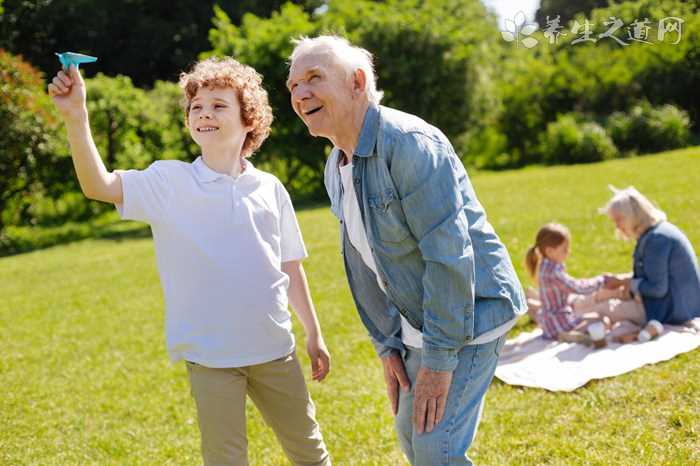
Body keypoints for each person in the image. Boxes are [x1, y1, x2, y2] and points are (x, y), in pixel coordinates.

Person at [48, 57, 331, 466]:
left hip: (274, 350)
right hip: (211, 359)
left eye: (219, 106)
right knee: (226, 459)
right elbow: (98, 185)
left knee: (309, 451)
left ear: (248, 119)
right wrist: (77, 117)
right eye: (197, 107)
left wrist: (313, 333)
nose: (204, 113)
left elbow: (290, 265)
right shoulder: (169, 182)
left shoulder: (269, 188)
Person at [286, 35, 526, 465]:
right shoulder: (335, 165)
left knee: (437, 449)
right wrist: (387, 345)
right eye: (292, 86)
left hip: (471, 311)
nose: (299, 94)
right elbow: (364, 260)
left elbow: (449, 257)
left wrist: (437, 363)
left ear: (357, 82)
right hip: (416, 320)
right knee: (413, 439)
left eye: (313, 78)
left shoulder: (409, 142)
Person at [601, 186, 700, 334]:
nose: (617, 226)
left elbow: (657, 289)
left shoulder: (657, 240)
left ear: (632, 216)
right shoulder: (657, 232)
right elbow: (652, 275)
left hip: (674, 310)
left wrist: (625, 282)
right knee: (602, 296)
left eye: (619, 220)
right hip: (682, 303)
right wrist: (622, 280)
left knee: (603, 308)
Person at [524, 223, 620, 343]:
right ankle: (572, 335)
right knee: (600, 319)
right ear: (549, 251)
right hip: (559, 323)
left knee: (591, 317)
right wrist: (602, 280)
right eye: (565, 249)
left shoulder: (545, 266)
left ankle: (574, 334)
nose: (568, 252)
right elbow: (578, 288)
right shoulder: (553, 272)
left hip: (549, 323)